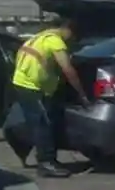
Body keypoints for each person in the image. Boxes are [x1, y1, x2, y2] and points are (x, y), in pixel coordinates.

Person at [7, 13, 87, 178]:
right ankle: (46, 163)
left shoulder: (38, 37)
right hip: (31, 86)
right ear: (67, 29)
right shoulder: (55, 41)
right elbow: (68, 69)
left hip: (24, 83)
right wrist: (82, 94)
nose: (72, 40)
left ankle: (46, 158)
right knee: (42, 123)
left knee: (41, 121)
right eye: (73, 35)